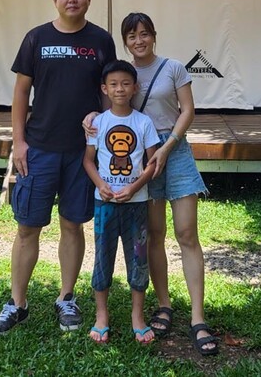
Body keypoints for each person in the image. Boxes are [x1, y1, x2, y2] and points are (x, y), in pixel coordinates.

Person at [0, 0, 116, 337]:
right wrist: (20, 140)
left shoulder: (101, 40)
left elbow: (109, 91)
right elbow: (20, 93)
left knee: (72, 224)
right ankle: (17, 303)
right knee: (28, 227)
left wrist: (104, 125)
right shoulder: (36, 38)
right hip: (39, 147)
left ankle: (66, 297)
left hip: (81, 152)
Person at [83, 12, 218, 356]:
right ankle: (164, 305)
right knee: (153, 235)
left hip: (173, 150)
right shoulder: (120, 74)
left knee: (187, 233)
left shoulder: (173, 67)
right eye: (131, 35)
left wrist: (169, 146)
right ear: (125, 40)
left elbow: (187, 110)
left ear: (153, 36)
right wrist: (89, 117)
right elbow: (107, 114)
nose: (138, 40)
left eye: (144, 34)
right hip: (137, 157)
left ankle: (198, 319)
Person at [84, 59, 160, 345]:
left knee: (138, 259)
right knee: (103, 257)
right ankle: (101, 315)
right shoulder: (97, 123)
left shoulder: (143, 122)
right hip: (104, 205)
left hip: (136, 204)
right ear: (104, 89)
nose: (119, 89)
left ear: (135, 87)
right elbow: (88, 161)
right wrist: (101, 185)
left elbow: (152, 162)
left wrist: (135, 186)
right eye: (113, 84)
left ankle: (137, 317)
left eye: (125, 83)